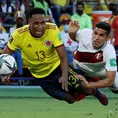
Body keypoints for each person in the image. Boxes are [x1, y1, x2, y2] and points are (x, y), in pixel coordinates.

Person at [1, 8, 108, 105]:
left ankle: (96, 92)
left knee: (84, 88)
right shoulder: (18, 34)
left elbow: (63, 56)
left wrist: (64, 75)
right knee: (71, 99)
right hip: (40, 76)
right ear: (29, 22)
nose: (40, 27)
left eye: (43, 23)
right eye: (36, 23)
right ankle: (80, 86)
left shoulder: (52, 29)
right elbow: (5, 56)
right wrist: (5, 74)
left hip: (57, 68)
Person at [68, 20, 118, 94]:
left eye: (101, 35)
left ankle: (94, 87)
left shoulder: (110, 51)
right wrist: (71, 32)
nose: (96, 38)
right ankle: (96, 93)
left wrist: (89, 85)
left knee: (116, 90)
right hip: (79, 67)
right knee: (77, 90)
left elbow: (110, 80)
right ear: (92, 32)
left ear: (107, 38)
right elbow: (74, 37)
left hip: (99, 72)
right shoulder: (85, 33)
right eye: (95, 33)